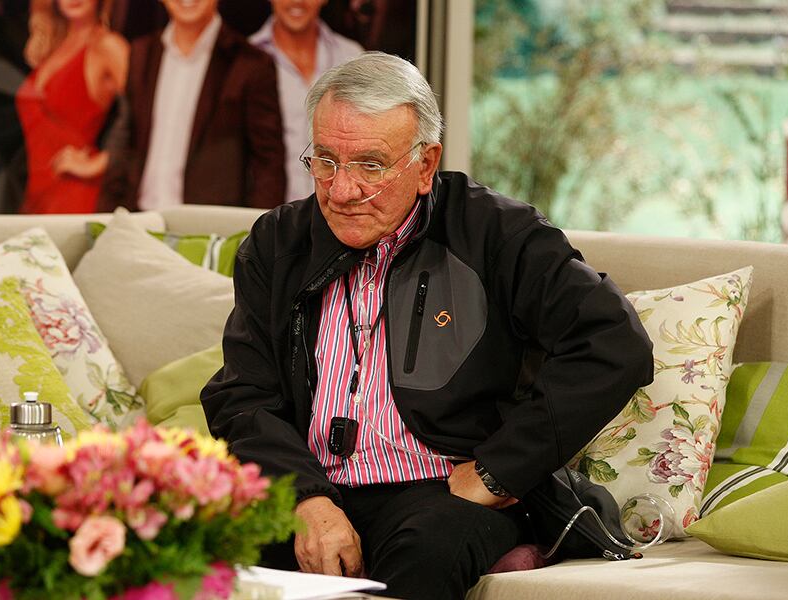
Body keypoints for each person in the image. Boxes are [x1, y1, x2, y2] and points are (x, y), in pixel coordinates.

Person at [201, 52, 654, 599]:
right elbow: (244, 394)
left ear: (425, 164)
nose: (341, 191)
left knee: (427, 551)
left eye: (371, 166)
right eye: (325, 161)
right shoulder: (277, 242)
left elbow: (614, 343)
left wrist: (497, 470)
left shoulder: (497, 234)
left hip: (440, 492)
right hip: (312, 488)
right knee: (193, 547)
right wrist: (305, 498)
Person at [99, 0, 285, 211]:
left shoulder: (250, 64)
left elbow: (268, 163)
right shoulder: (142, 53)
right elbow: (126, 146)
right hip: (141, 218)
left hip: (209, 224)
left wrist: (261, 227)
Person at [15, 0, 128, 214]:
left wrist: (101, 162)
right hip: (36, 194)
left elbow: (145, 112)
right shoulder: (53, 47)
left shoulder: (107, 45)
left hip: (76, 194)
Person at [250, 0, 363, 203]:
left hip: (340, 206)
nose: (297, 1)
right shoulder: (245, 60)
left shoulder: (352, 57)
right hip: (268, 211)